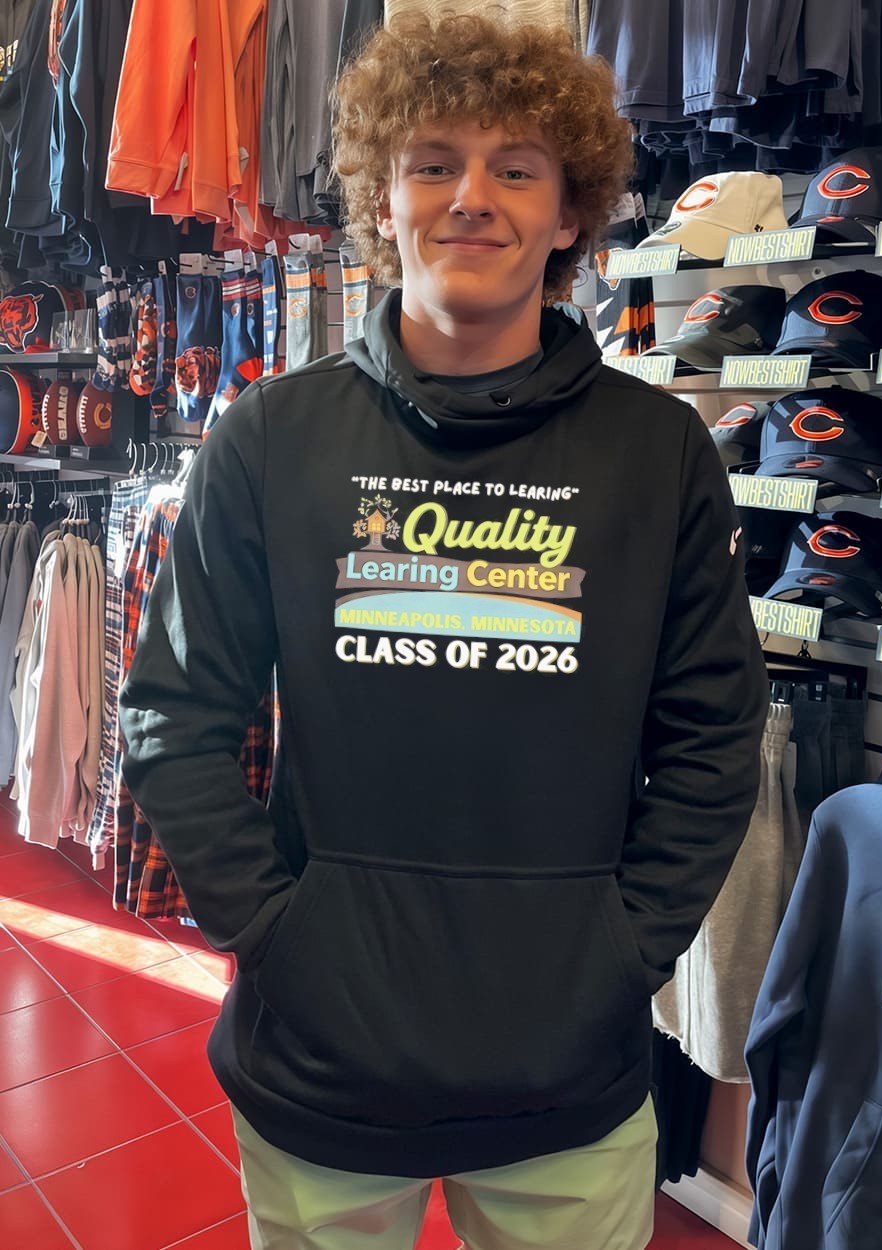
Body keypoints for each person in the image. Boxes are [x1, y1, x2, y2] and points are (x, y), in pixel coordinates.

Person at [119, 12, 768, 1250]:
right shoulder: (269, 438)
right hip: (317, 1069)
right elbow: (175, 714)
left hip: (568, 1077)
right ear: (382, 197)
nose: (471, 197)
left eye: (515, 168)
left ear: (569, 212)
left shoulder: (659, 453)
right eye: (433, 163)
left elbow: (712, 738)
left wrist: (622, 948)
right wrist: (273, 931)